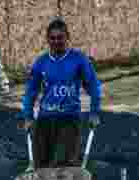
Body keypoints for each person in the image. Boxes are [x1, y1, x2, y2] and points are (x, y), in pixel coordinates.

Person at [19, 18, 103, 169]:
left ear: (67, 37)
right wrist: (28, 117)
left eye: (60, 37)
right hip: (45, 120)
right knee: (41, 165)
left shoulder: (79, 60)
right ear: (47, 39)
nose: (56, 41)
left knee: (63, 164)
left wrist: (94, 112)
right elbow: (31, 91)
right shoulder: (41, 62)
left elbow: (93, 87)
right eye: (52, 38)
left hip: (69, 119)